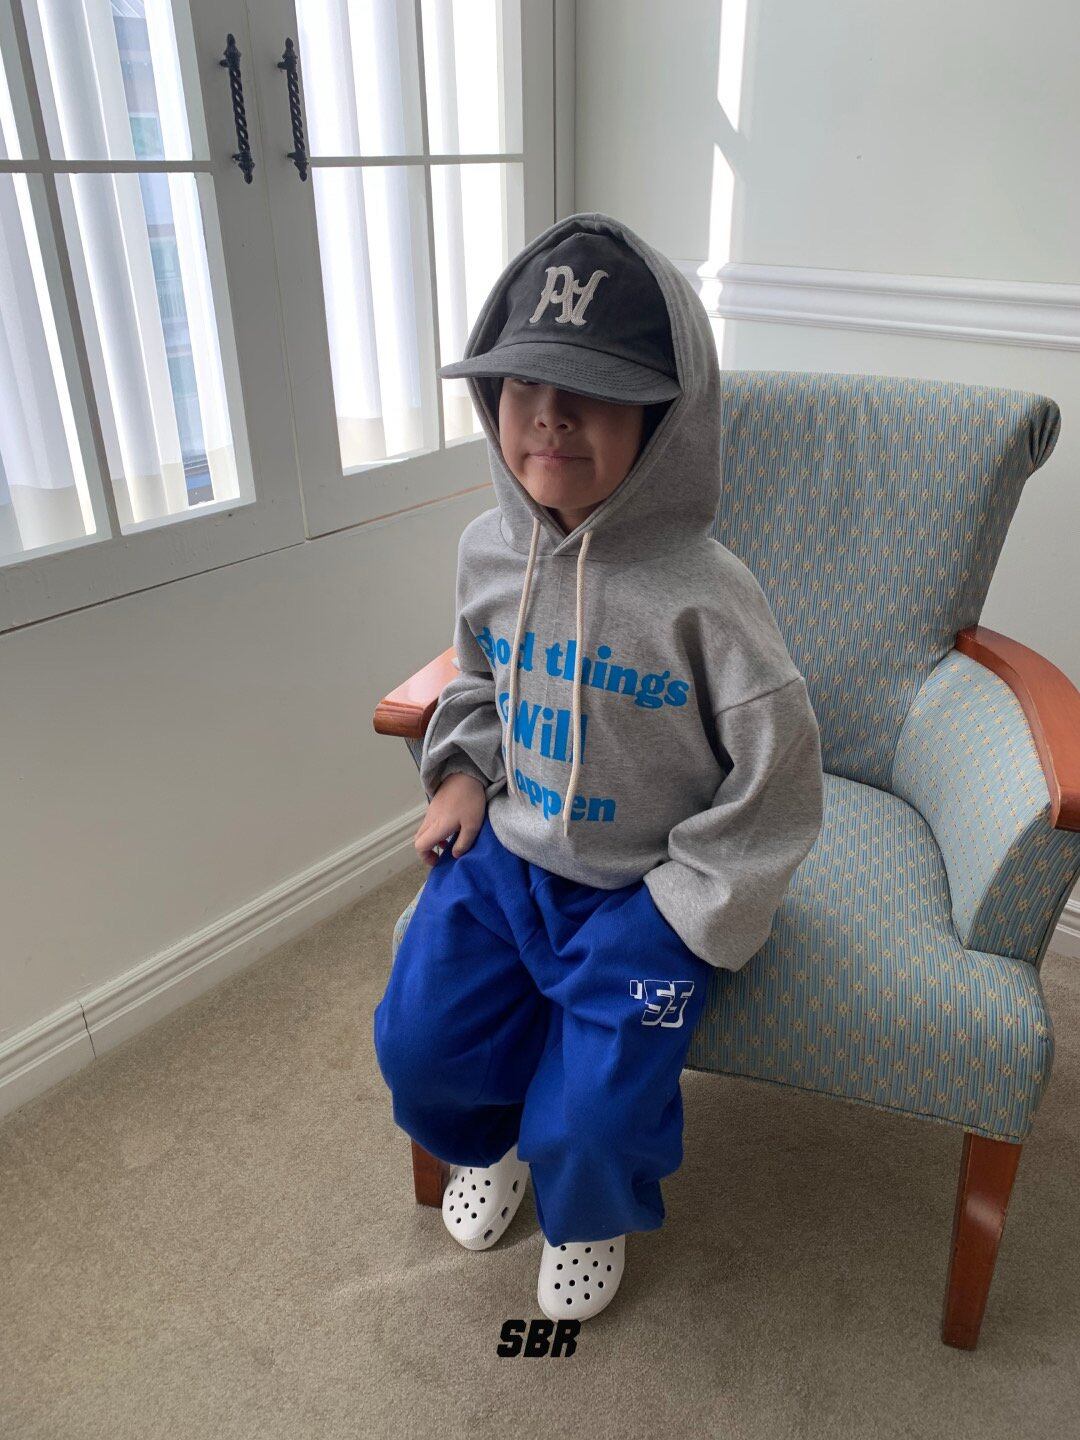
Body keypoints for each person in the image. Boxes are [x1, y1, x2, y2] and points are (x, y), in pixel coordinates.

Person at [373, 212, 824, 1324]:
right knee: (420, 1042)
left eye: (592, 392)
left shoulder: (710, 597)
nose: (550, 417)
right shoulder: (488, 551)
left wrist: (690, 901)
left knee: (597, 1116)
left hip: (642, 889)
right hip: (506, 855)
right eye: (524, 386)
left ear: (664, 422)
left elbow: (779, 775)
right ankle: (488, 1141)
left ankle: (587, 1213)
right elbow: (478, 680)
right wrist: (461, 775)